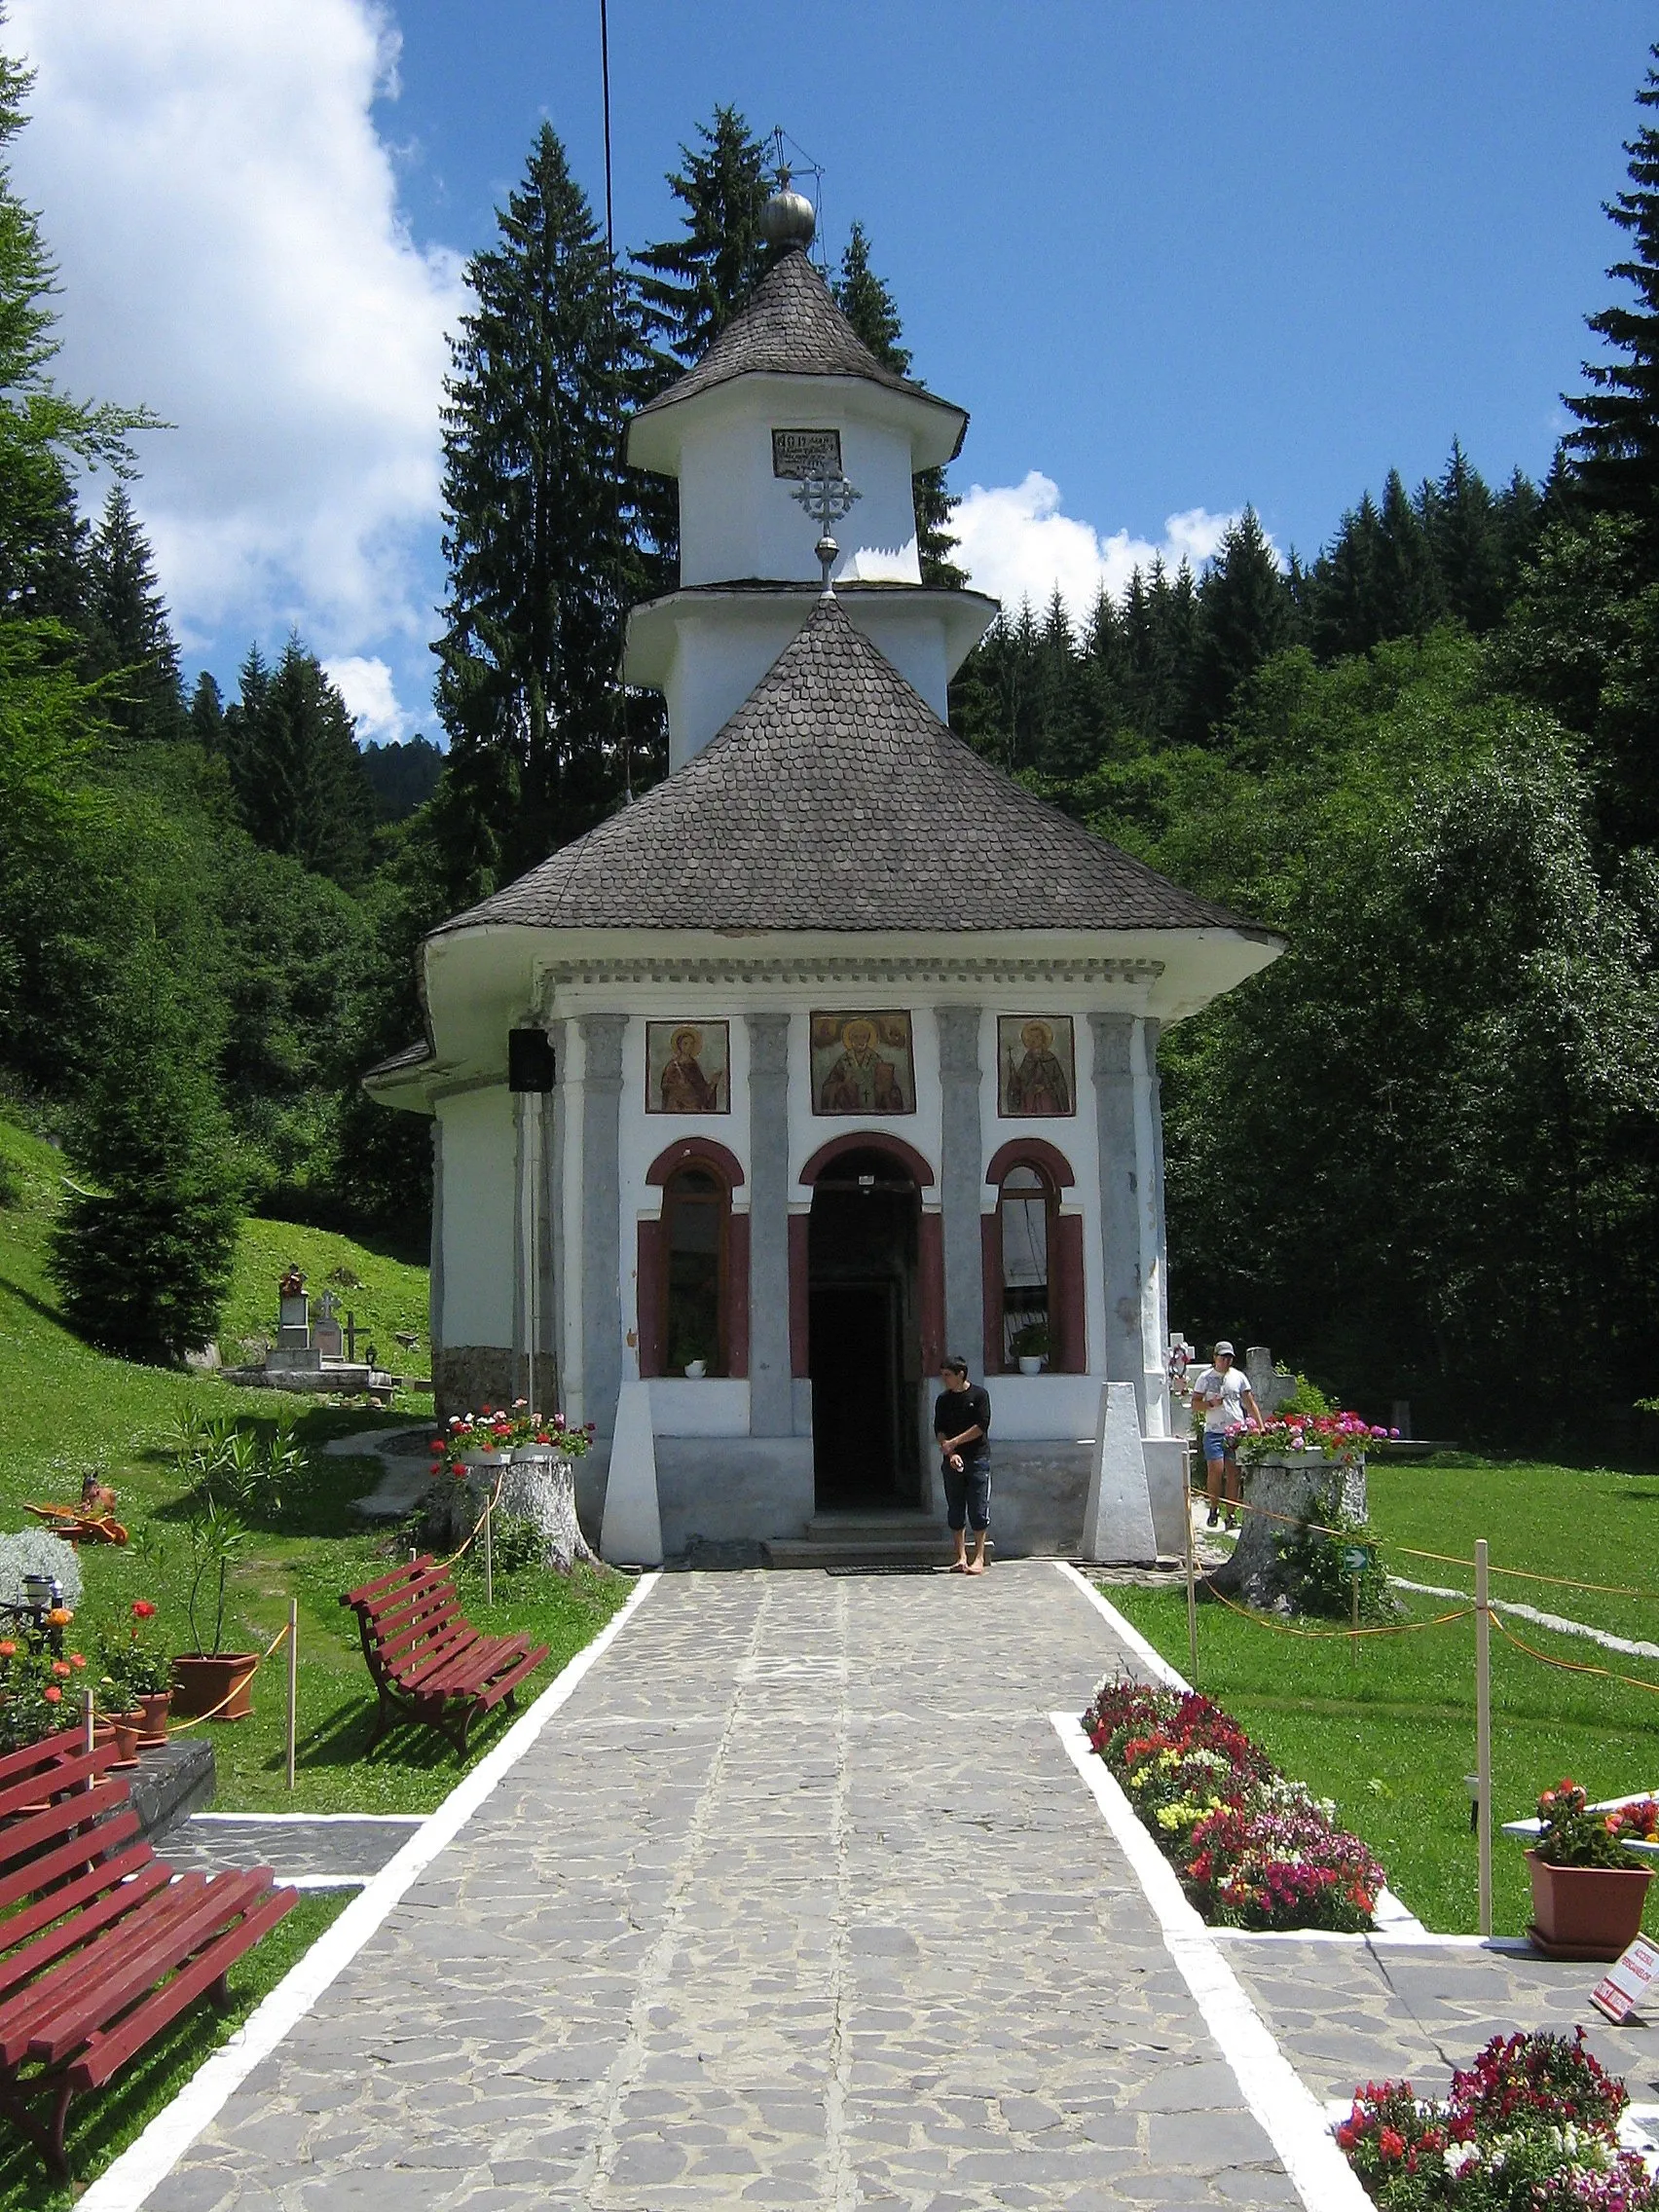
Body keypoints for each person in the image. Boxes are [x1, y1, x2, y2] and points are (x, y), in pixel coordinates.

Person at [1190, 1340, 1261, 1530]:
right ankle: (1214, 1507)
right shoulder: (1205, 1378)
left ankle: (1230, 1514)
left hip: (1235, 1432)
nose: (1226, 1361)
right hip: (1214, 1431)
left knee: (1234, 1473)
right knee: (1216, 1469)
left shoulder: (1238, 1377)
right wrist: (1210, 1404)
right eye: (1223, 1357)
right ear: (1215, 1357)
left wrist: (1260, 1427)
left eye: (1230, 1357)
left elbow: (1249, 1402)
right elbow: (1195, 1404)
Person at [934, 1354, 993, 1573]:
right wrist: (950, 1452)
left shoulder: (979, 1395)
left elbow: (982, 1425)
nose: (945, 1380)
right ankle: (960, 1556)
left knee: (978, 1508)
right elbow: (939, 1428)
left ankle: (979, 1557)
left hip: (977, 1458)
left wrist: (954, 1443)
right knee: (955, 1508)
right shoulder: (943, 1400)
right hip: (952, 1461)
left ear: (960, 1374)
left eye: (948, 1375)